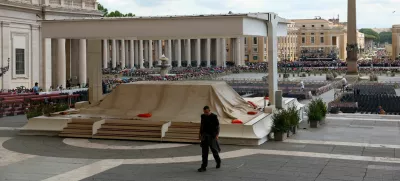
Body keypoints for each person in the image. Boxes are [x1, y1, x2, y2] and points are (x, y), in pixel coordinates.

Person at [198, 106, 221, 172]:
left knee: (214, 150)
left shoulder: (214, 116)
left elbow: (217, 126)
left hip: (212, 136)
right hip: (205, 136)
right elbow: (201, 125)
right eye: (204, 112)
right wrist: (199, 134)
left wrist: (217, 135)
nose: (205, 113)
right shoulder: (202, 116)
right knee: (204, 152)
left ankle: (218, 161)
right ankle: (203, 166)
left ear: (209, 111)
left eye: (207, 112)